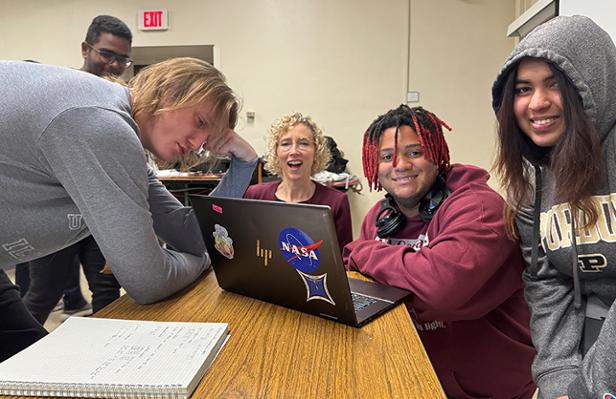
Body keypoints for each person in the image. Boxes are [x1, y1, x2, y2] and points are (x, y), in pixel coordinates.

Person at [0, 56, 258, 361]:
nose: (200, 142)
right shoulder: (102, 124)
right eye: (200, 122)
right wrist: (205, 259)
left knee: (31, 367)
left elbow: (189, 233)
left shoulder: (119, 133)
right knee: (30, 370)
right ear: (170, 89)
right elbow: (147, 281)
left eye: (208, 136)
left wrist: (245, 163)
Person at [343, 105, 535, 398]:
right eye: (386, 156)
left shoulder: (480, 208)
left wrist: (366, 252)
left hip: (485, 388)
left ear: (436, 154)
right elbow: (363, 287)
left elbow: (441, 286)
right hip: (413, 376)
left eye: (414, 152)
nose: (400, 164)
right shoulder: (379, 218)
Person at [491, 15, 616, 399]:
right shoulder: (533, 180)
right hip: (589, 339)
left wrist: (589, 389)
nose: (537, 103)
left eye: (555, 85)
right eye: (524, 89)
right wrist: (558, 376)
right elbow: (546, 281)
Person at [23, 15, 134, 324]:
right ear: (86, 49)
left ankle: (107, 360)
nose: (114, 64)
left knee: (107, 292)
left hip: (101, 220)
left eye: (122, 59)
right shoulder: (59, 91)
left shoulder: (123, 103)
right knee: (45, 292)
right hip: (58, 215)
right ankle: (11, 359)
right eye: (107, 54)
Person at [244, 112, 352, 251]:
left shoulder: (336, 202)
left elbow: (344, 261)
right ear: (276, 153)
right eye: (285, 144)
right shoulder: (255, 195)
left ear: (316, 152)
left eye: (303, 143)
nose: (294, 151)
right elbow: (246, 249)